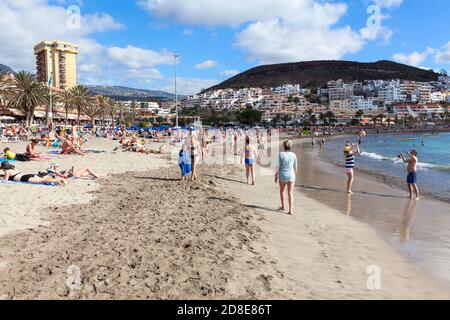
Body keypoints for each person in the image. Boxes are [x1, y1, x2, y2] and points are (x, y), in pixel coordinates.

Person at [275, 140, 298, 215]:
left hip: (283, 175)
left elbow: (279, 166)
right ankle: (291, 210)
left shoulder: (280, 154)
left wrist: (276, 175)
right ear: (290, 146)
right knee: (290, 193)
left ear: (283, 146)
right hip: (291, 175)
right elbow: (295, 168)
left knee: (282, 191)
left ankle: (283, 206)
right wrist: (294, 176)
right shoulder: (294, 155)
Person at [0, 161, 65, 186]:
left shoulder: (7, 171)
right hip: (27, 175)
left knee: (41, 181)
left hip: (24, 178)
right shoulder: (14, 169)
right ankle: (54, 178)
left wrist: (2, 179)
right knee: (41, 179)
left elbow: (5, 180)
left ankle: (57, 181)